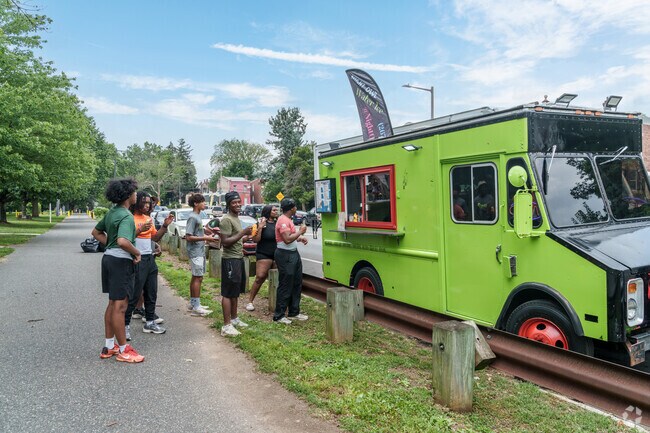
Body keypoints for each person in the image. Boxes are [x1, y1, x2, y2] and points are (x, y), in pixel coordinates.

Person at [91, 178, 144, 363]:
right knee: (120, 306)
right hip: (121, 262)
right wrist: (136, 253)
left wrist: (110, 245)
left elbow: (96, 233)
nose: (136, 195)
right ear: (128, 195)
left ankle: (109, 346)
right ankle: (123, 350)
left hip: (108, 259)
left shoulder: (112, 212)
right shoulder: (127, 216)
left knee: (113, 304)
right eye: (135, 192)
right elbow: (122, 241)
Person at [123, 192, 174, 339]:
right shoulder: (129, 218)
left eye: (148, 203)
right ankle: (125, 325)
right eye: (144, 202)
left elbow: (154, 237)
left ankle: (150, 322)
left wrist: (165, 226)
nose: (147, 205)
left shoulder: (148, 218)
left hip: (149, 259)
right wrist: (140, 230)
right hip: (136, 259)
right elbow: (125, 239)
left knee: (151, 292)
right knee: (134, 294)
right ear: (136, 202)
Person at [218, 191, 253, 336]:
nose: (238, 204)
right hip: (230, 260)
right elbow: (225, 242)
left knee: (235, 292)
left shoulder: (236, 218)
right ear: (228, 204)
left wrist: (249, 236)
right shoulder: (226, 220)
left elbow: (237, 239)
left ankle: (234, 319)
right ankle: (226, 326)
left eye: (239, 202)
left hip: (238, 258)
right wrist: (243, 232)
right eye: (234, 202)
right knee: (228, 292)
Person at [273, 198, 308, 325]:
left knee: (296, 282)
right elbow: (287, 239)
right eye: (295, 207)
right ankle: (279, 315)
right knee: (286, 283)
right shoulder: (282, 220)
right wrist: (300, 231)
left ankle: (294, 311)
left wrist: (300, 238)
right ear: (291, 208)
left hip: (293, 253)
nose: (296, 209)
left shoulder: (288, 220)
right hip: (285, 254)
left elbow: (290, 237)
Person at [185, 193, 214, 317]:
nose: (204, 204)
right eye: (202, 202)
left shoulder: (198, 216)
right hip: (195, 251)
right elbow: (188, 236)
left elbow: (197, 231)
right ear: (196, 204)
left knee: (196, 276)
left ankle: (194, 303)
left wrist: (207, 232)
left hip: (199, 250)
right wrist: (205, 237)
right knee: (198, 277)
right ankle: (196, 307)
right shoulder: (193, 217)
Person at [245, 204, 278, 311]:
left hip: (277, 254)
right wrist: (260, 227)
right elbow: (256, 240)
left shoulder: (278, 224)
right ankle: (250, 301)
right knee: (260, 277)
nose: (276, 211)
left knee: (276, 279)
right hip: (264, 254)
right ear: (268, 212)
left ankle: (276, 301)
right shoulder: (258, 224)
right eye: (273, 210)